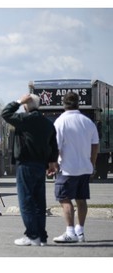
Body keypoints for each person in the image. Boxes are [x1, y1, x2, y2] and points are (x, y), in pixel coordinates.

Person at [1, 94, 58, 246]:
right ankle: (42, 236)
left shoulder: (25, 120)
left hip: (26, 164)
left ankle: (32, 235)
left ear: (26, 105)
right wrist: (52, 161)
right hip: (41, 165)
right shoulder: (47, 123)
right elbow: (53, 144)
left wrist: (19, 101)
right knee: (39, 202)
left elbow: (5, 113)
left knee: (26, 201)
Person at [52, 92, 99, 243]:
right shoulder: (87, 122)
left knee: (64, 198)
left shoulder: (60, 122)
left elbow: (56, 147)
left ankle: (70, 231)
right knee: (81, 199)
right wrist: (92, 163)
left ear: (63, 104)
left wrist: (53, 164)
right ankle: (80, 230)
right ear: (79, 103)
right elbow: (95, 145)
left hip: (67, 168)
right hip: (85, 167)